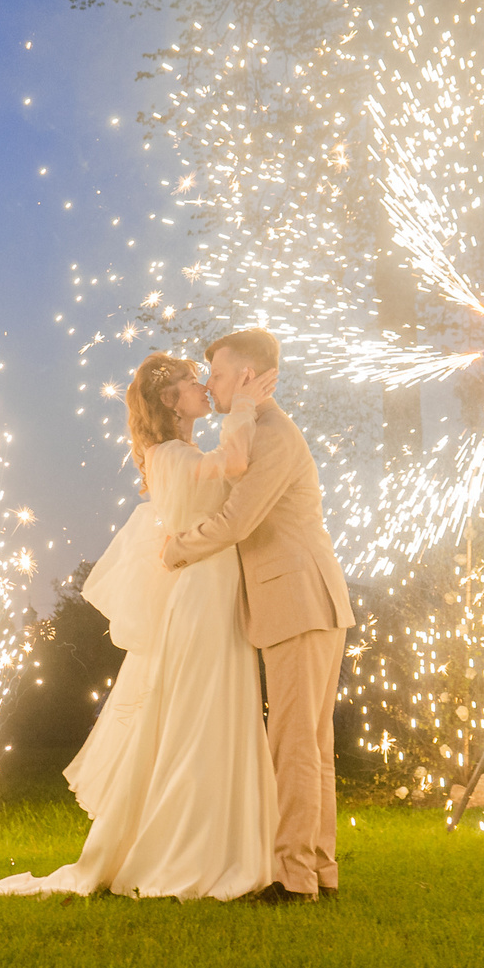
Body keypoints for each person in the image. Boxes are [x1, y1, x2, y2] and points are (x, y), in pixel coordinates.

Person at [0, 350, 280, 901]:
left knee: (212, 712)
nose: (203, 385)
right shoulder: (172, 456)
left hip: (215, 590)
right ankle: (189, 848)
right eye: (190, 381)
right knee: (199, 715)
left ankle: (222, 841)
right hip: (202, 594)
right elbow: (235, 465)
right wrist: (245, 407)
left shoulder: (180, 452)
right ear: (168, 399)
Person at [159, 328, 355, 903]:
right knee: (311, 745)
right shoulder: (262, 429)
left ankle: (294, 878)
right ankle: (318, 870)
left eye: (217, 373)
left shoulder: (272, 435)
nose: (210, 383)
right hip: (310, 600)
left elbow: (238, 522)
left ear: (247, 376)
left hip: (297, 600)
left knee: (294, 744)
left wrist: (177, 547)